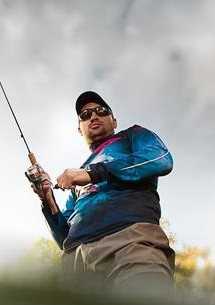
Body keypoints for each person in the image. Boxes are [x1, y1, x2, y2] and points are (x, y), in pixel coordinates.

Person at [26, 91, 175, 292]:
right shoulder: (79, 177)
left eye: (101, 111)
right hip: (75, 263)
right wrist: (47, 198)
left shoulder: (131, 136)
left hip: (129, 242)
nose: (93, 116)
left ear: (114, 121)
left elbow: (161, 159)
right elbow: (63, 237)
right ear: (79, 129)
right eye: (85, 115)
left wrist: (94, 172)